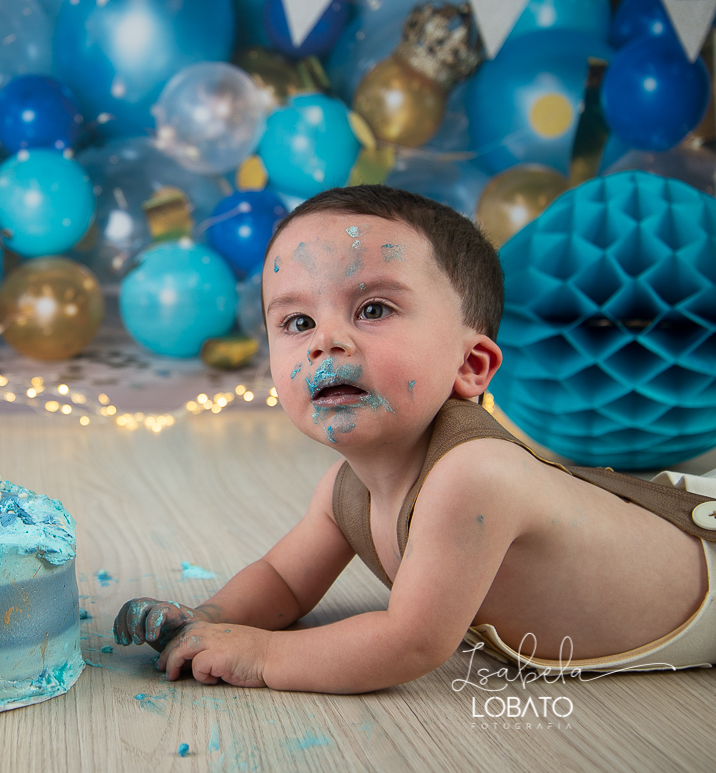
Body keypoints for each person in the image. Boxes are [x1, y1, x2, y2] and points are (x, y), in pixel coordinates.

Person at [113, 185, 716, 694]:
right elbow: (284, 580)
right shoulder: (346, 492)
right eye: (298, 322)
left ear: (471, 365)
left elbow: (411, 642)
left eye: (373, 309)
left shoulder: (472, 474)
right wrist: (207, 620)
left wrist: (261, 655)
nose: (328, 342)